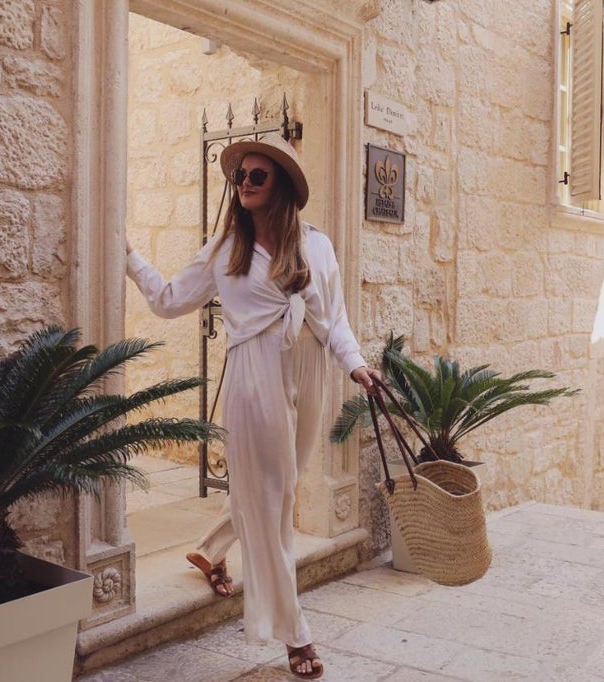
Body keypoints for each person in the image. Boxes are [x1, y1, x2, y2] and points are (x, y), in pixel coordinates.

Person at [125, 132, 380, 680]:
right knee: (271, 500)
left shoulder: (318, 245)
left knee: (276, 488)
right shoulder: (224, 251)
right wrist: (128, 256)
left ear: (281, 185)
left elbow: (333, 319)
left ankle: (211, 549)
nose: (243, 183)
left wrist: (355, 364)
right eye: (239, 175)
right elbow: (168, 299)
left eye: (256, 175)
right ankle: (295, 634)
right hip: (254, 372)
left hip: (310, 367)